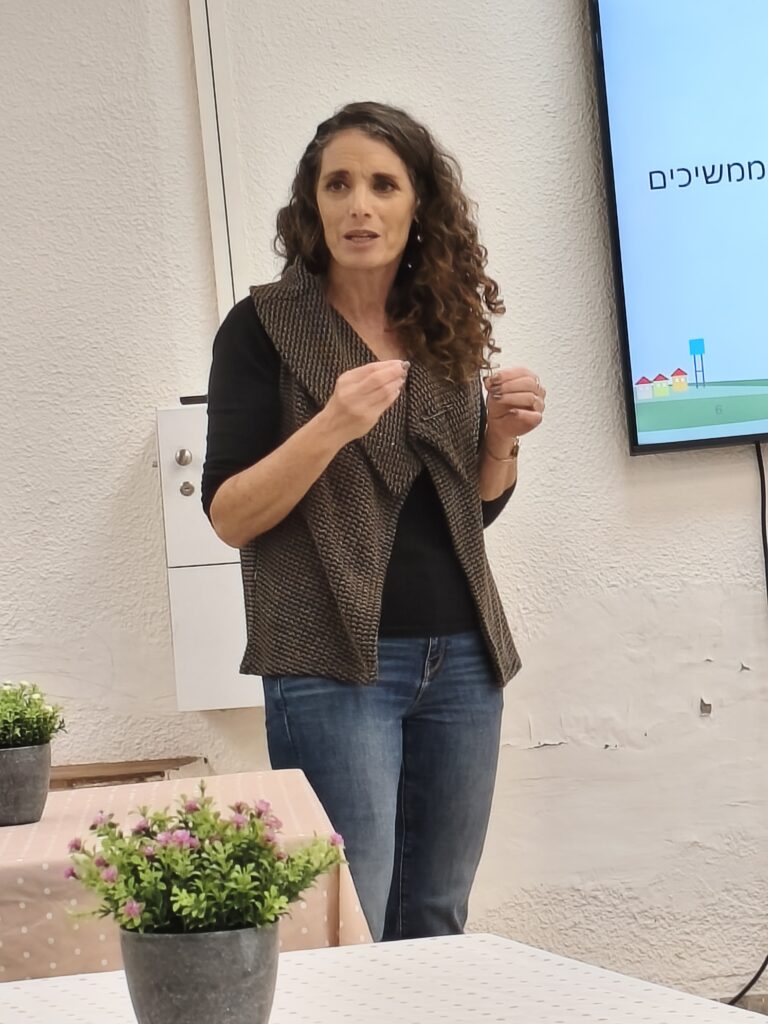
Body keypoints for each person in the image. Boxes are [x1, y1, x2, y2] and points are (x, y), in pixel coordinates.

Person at [201, 101, 546, 943]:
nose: (360, 205)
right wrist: (330, 425)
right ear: (312, 204)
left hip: (462, 659)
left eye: (383, 185)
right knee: (349, 920)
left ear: (418, 204)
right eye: (339, 185)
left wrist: (500, 442)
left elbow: (472, 508)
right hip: (329, 665)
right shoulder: (262, 328)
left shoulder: (442, 323)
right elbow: (230, 515)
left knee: (437, 913)